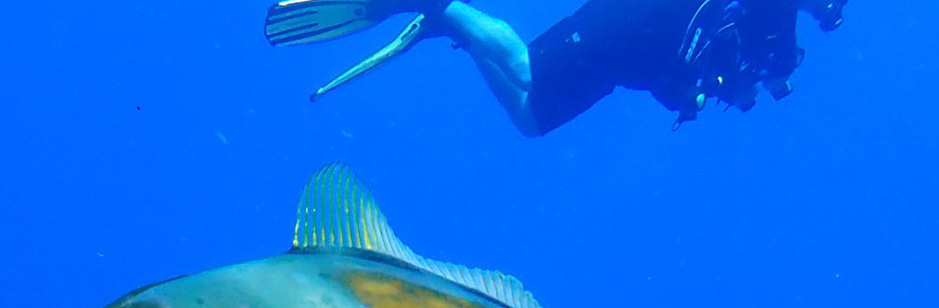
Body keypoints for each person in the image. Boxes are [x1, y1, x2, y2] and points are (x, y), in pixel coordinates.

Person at [263, 0, 845, 136]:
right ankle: (436, 5)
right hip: (636, 24)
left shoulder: (778, 28)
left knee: (532, 116)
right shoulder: (772, 18)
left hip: (635, 54)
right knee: (529, 84)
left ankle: (445, 17)